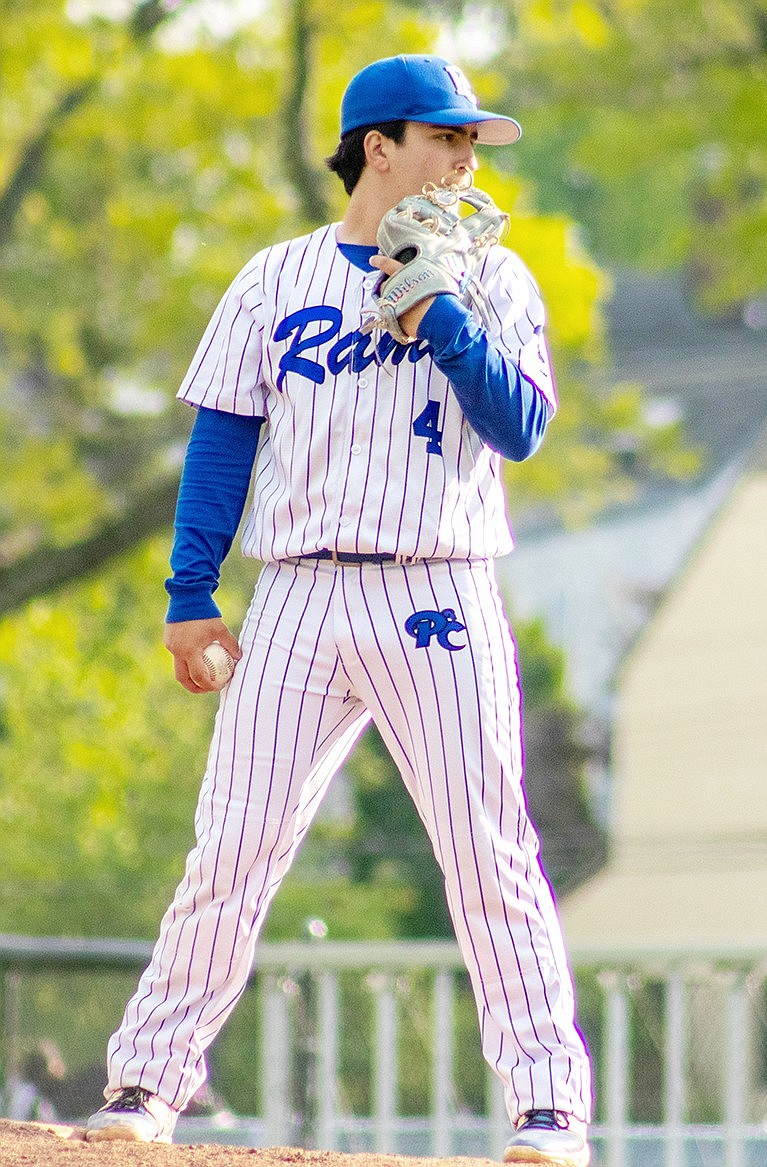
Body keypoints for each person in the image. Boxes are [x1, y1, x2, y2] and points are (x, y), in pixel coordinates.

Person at [85, 54, 592, 1165]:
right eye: (445, 137)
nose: (465, 158)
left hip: (437, 588)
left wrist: (446, 315)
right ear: (379, 147)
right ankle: (148, 1083)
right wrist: (188, 593)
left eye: (470, 142)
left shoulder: (494, 279)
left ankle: (546, 1105)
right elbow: (223, 440)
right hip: (300, 593)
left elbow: (519, 431)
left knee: (486, 851)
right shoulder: (275, 279)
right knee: (232, 848)